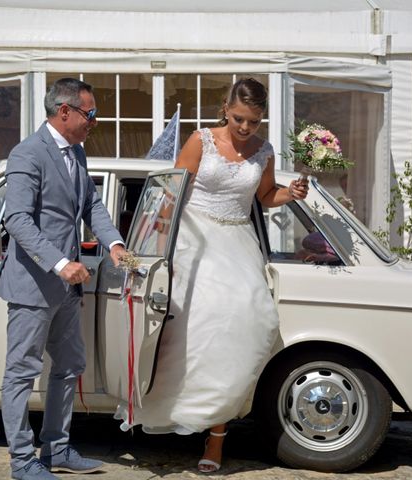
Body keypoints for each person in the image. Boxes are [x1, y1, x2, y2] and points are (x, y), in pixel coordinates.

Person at [114, 77, 308, 473]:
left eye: (253, 122)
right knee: (193, 326)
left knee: (250, 321)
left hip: (237, 242)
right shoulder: (199, 141)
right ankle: (170, 407)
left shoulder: (264, 151)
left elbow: (266, 196)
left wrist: (293, 194)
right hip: (194, 239)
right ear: (225, 108)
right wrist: (154, 249)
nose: (244, 128)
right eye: (238, 118)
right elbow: (170, 195)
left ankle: (217, 437)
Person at [0, 78, 126, 480]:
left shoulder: (78, 152)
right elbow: (16, 218)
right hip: (34, 284)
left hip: (67, 287)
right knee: (21, 372)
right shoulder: (28, 153)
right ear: (64, 111)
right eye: (91, 114)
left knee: (69, 365)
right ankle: (22, 462)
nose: (94, 122)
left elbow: (91, 205)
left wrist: (115, 242)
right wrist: (59, 263)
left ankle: (57, 449)